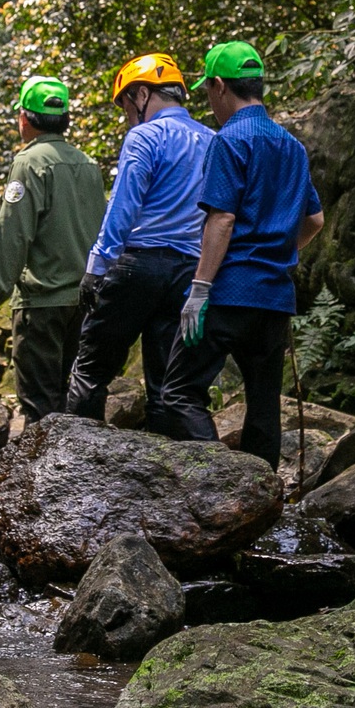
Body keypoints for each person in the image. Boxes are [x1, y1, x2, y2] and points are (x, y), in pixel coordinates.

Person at [164, 42, 324, 466]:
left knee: (179, 391)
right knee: (264, 402)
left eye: (208, 92)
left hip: (229, 292)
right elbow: (315, 221)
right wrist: (276, 253)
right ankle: (261, 496)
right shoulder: (291, 145)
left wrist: (199, 289)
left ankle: (219, 477)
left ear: (219, 86)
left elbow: (222, 220)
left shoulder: (229, 139)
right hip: (274, 297)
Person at [65, 53, 216, 431]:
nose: (128, 115)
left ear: (143, 94)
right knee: (167, 384)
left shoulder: (145, 136)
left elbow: (123, 205)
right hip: (187, 273)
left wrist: (96, 266)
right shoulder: (213, 140)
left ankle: (74, 464)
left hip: (138, 265)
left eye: (126, 105)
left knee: (91, 368)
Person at [0, 77, 107, 423]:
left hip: (42, 304)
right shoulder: (89, 165)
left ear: (24, 119)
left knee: (40, 408)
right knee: (72, 402)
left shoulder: (29, 163)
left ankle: (41, 478)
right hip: (85, 302)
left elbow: (13, 234)